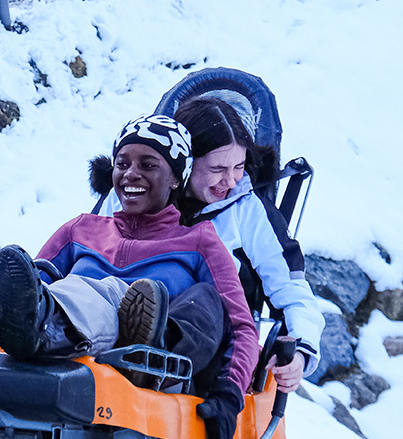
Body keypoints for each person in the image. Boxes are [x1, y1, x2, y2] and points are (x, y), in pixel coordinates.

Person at [0, 115, 258, 439]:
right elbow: (25, 284)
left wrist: (230, 395)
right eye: (123, 163)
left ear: (176, 177)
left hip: (126, 341)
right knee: (5, 280)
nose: (131, 174)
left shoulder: (198, 242)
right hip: (53, 313)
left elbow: (241, 327)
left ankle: (45, 325)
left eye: (148, 165)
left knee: (101, 291)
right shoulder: (82, 228)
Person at [94, 95, 325, 395]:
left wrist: (302, 348)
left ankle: (153, 356)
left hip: (205, 352)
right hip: (112, 317)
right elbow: (90, 251)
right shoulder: (132, 192)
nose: (229, 181)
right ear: (184, 163)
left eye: (239, 167)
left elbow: (291, 290)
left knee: (203, 298)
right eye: (217, 169)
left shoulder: (248, 211)